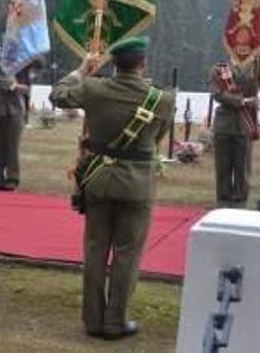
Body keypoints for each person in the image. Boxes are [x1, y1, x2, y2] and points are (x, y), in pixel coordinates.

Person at [49, 36, 174, 340]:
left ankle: (93, 320)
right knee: (127, 255)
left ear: (114, 63)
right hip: (137, 186)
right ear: (143, 63)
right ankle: (115, 322)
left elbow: (58, 95)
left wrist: (81, 70)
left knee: (95, 251)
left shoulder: (93, 88)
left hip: (99, 181)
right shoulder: (163, 99)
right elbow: (160, 135)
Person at [209, 57, 259, 208]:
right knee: (223, 167)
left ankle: (240, 203)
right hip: (224, 125)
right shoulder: (219, 69)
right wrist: (242, 101)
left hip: (245, 124)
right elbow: (217, 94)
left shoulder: (255, 67)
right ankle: (223, 202)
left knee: (242, 168)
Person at [0, 47, 30, 190]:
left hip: (15, 109)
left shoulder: (26, 53)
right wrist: (12, 86)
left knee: (13, 147)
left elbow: (38, 66)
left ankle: (12, 179)